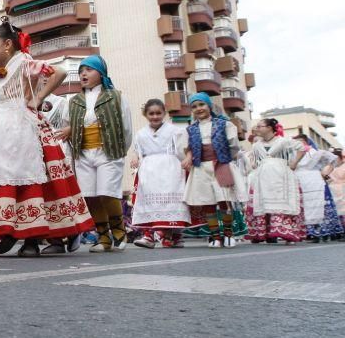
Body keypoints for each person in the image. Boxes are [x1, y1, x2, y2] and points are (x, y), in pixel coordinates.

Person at [0, 19, 91, 256]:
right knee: (3, 180)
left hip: (24, 125)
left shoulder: (24, 63)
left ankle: (32, 239)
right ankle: (9, 230)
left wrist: (37, 97)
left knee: (34, 182)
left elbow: (59, 72)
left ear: (8, 45)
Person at [56, 55, 133, 252]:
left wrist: (119, 151)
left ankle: (119, 232)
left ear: (101, 73)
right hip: (83, 153)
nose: (83, 74)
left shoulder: (116, 96)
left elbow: (126, 128)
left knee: (107, 193)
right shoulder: (74, 101)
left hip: (108, 152)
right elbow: (68, 126)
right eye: (81, 70)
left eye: (89, 70)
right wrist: (69, 131)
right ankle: (103, 237)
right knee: (90, 196)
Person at [182, 93, 249, 248]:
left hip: (221, 164)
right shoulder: (190, 129)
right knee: (207, 202)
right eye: (194, 106)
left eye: (201, 105)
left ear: (209, 106)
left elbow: (233, 145)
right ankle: (215, 236)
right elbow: (188, 148)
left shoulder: (223, 124)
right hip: (200, 167)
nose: (199, 109)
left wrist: (223, 158)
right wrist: (189, 157)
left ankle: (228, 234)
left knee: (224, 200)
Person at [129, 99, 190, 249]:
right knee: (150, 201)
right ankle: (149, 235)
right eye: (151, 113)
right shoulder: (141, 133)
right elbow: (138, 151)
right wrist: (135, 158)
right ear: (145, 114)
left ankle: (173, 235)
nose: (155, 116)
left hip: (170, 168)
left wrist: (187, 159)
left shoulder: (175, 130)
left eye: (158, 113)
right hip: (149, 170)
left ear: (164, 113)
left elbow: (185, 148)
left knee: (170, 201)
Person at [245, 119, 305, 244]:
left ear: (270, 128)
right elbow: (255, 163)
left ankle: (287, 233)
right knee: (264, 203)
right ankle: (267, 233)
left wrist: (294, 162)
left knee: (282, 203)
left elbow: (302, 148)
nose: (257, 128)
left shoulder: (283, 141)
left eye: (260, 126)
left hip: (281, 176)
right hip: (263, 178)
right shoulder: (256, 145)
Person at [292, 135, 343, 242]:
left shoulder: (317, 152)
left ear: (306, 142)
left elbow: (333, 160)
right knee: (305, 206)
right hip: (299, 180)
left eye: (300, 141)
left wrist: (325, 173)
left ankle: (321, 231)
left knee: (317, 206)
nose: (298, 144)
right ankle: (309, 232)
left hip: (314, 180)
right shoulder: (293, 153)